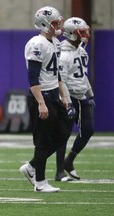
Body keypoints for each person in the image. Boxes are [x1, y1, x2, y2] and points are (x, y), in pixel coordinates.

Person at [19, 6, 74, 192]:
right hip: (41, 97)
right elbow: (33, 77)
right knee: (42, 140)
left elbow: (56, 72)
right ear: (44, 24)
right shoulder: (36, 43)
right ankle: (40, 183)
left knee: (63, 132)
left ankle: (32, 166)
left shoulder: (55, 42)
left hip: (53, 95)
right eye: (55, 22)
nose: (59, 25)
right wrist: (41, 102)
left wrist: (63, 95)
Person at [55, 17, 94, 181]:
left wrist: (90, 93)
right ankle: (59, 172)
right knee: (63, 134)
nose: (85, 34)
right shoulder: (63, 55)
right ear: (72, 34)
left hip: (81, 96)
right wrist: (67, 102)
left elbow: (83, 76)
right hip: (69, 96)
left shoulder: (81, 50)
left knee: (88, 130)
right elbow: (60, 80)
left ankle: (68, 161)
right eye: (81, 32)